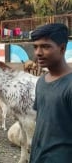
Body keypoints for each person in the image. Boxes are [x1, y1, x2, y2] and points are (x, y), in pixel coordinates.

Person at [29, 23, 72, 163]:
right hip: (38, 156)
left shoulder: (70, 85)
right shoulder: (41, 82)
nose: (38, 53)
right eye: (35, 47)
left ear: (62, 48)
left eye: (45, 46)